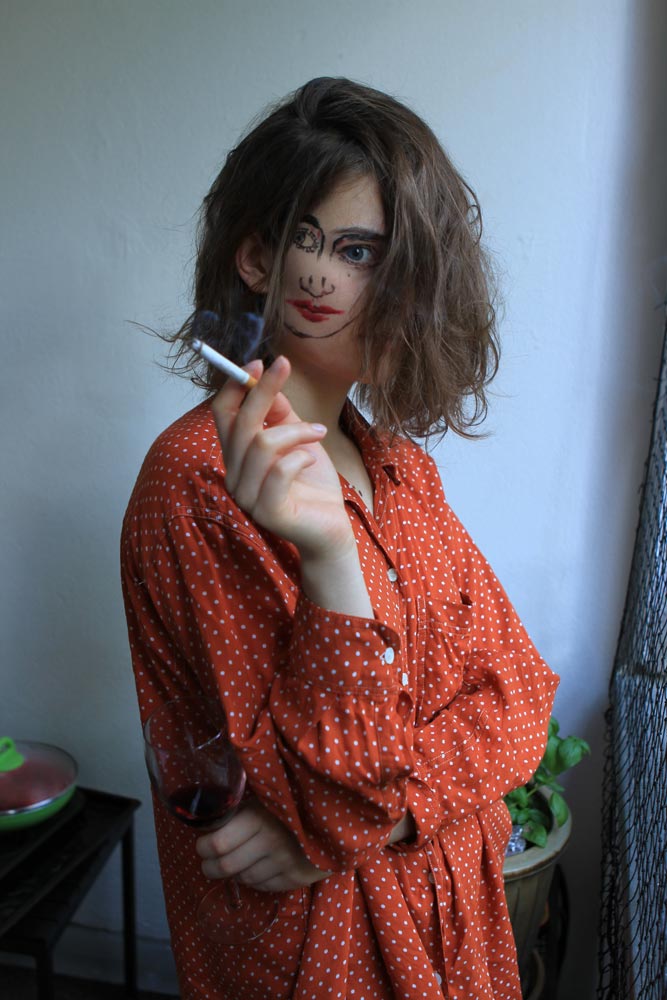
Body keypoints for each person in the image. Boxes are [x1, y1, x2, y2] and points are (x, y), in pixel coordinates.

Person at [121, 77, 559, 1000]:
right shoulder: (199, 484)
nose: (323, 276)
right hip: (331, 951)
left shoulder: (398, 466)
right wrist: (326, 558)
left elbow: (518, 696)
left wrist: (382, 820)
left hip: (450, 922)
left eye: (361, 253)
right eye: (304, 239)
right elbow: (320, 798)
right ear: (254, 257)